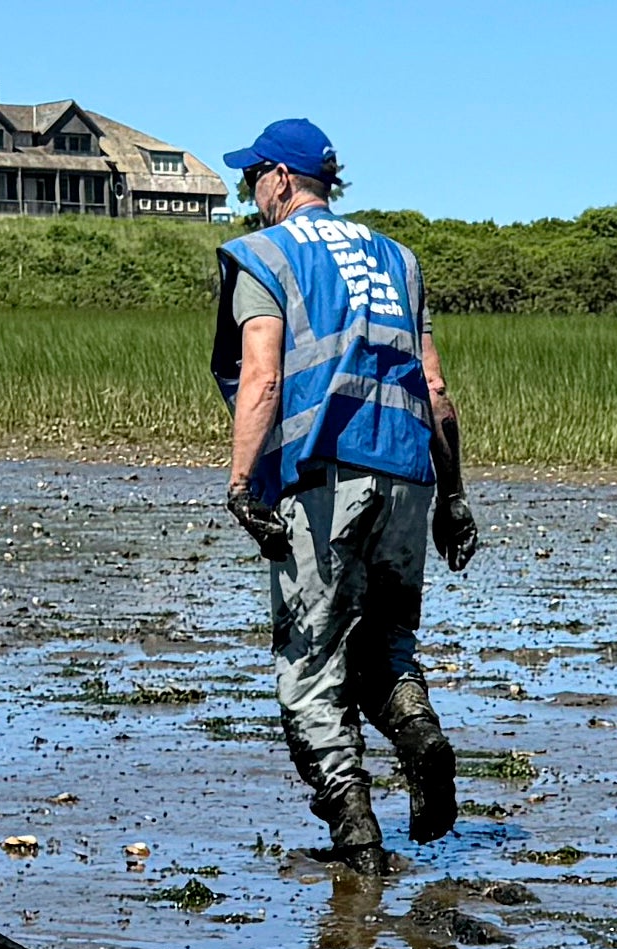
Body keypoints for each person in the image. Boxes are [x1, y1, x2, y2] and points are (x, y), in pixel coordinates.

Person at [211, 119, 480, 872]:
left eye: (253, 178)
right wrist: (454, 495)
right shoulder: (399, 259)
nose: (250, 193)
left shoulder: (266, 255)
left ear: (282, 179)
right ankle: (422, 738)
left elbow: (263, 376)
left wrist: (240, 486)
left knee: (311, 663)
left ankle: (356, 837)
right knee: (387, 646)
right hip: (409, 475)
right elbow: (434, 387)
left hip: (325, 478)